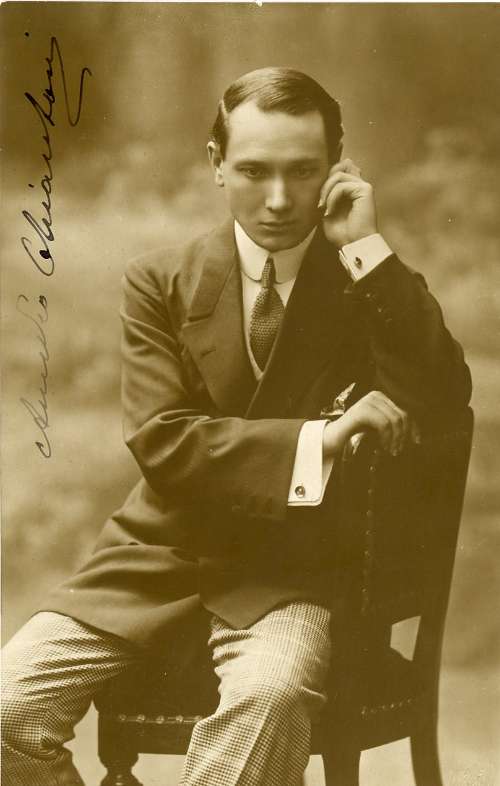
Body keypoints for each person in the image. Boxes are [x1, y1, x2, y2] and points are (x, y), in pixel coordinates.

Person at [2, 67, 471, 786]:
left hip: (294, 572)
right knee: (8, 709)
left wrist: (367, 249)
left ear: (337, 169)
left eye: (303, 171)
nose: (279, 199)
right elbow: (164, 439)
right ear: (216, 163)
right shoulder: (160, 281)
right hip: (158, 559)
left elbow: (441, 399)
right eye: (254, 171)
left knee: (269, 699)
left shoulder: (364, 281)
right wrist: (318, 439)